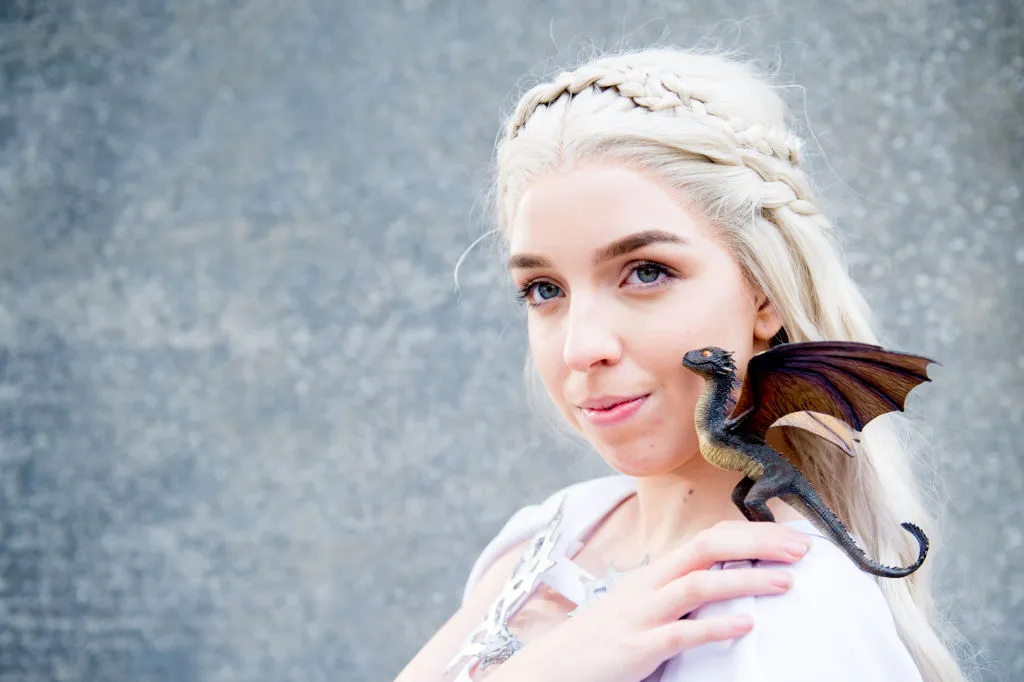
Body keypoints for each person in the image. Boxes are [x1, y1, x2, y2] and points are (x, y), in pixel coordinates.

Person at [394, 47, 970, 682]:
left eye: (648, 272)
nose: (581, 348)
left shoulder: (788, 615)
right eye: (545, 289)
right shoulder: (551, 533)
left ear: (764, 293)